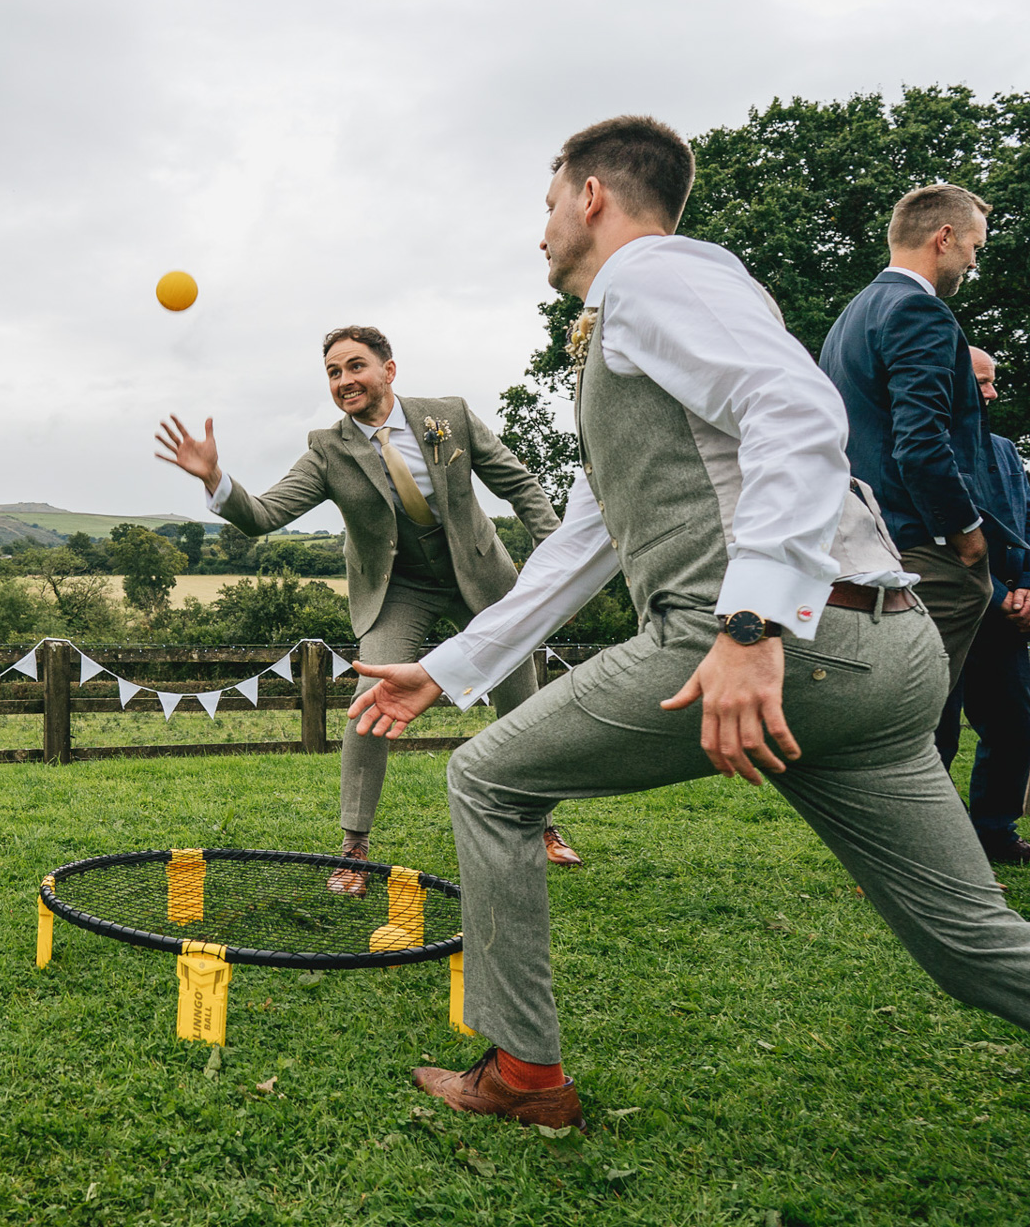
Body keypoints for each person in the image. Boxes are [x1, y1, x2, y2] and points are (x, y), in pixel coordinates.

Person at [346, 115, 1030, 1131]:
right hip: (885, 649)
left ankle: (526, 1077)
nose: (539, 232)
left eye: (546, 206)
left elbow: (797, 408)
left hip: (783, 646)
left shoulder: (654, 278)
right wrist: (446, 667)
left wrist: (752, 626)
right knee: (974, 944)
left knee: (487, 780)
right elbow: (590, 532)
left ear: (591, 197)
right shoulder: (646, 319)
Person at [155, 327, 577, 879]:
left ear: (389, 370)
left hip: (478, 573)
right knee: (370, 697)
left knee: (520, 694)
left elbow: (519, 486)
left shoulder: (448, 415)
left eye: (355, 366)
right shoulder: (327, 450)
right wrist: (215, 478)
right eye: (333, 372)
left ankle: (541, 823)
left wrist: (556, 561)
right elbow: (264, 516)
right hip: (398, 586)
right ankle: (354, 847)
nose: (344, 381)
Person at [818, 183, 1020, 689]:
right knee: (914, 718)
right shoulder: (919, 311)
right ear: (945, 237)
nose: (974, 262)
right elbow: (922, 441)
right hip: (923, 550)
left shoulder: (853, 315)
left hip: (868, 543)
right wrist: (967, 539)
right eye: (976, 247)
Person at [934, 348, 1030, 862]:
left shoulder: (1006, 451)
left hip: (1009, 622)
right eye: (982, 383)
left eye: (993, 383)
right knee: (937, 734)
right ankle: (934, 848)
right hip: (945, 616)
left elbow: (1028, 525)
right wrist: (1002, 598)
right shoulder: (922, 452)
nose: (992, 394)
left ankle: (995, 831)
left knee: (1016, 725)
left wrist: (1028, 588)